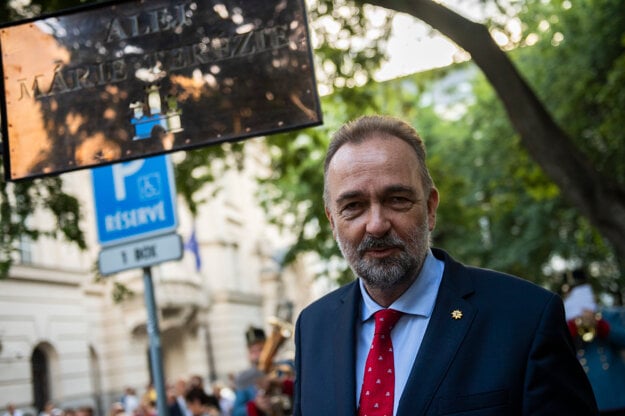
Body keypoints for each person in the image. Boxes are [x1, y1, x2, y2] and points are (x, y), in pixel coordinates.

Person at [292, 115, 598, 415]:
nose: (376, 225)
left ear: (430, 207)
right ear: (333, 222)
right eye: (353, 206)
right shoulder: (313, 327)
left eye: (397, 199)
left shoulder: (526, 319)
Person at [564, 268, 625, 415]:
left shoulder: (607, 314)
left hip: (614, 387)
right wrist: (572, 329)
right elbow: (560, 351)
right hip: (585, 389)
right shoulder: (563, 322)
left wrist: (600, 325)